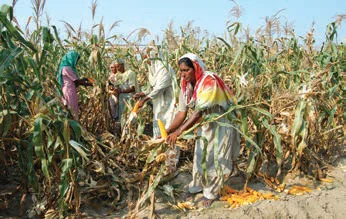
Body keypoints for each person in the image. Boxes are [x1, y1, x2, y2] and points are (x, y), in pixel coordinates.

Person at [165, 53, 240, 207]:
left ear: (196, 67)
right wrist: (167, 131)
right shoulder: (185, 86)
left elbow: (198, 112)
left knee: (215, 157)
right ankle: (197, 186)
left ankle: (211, 192)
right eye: (181, 71)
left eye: (186, 70)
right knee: (200, 154)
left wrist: (178, 132)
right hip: (205, 124)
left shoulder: (209, 81)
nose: (183, 74)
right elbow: (181, 113)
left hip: (220, 123)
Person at [133, 50, 179, 174]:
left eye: (146, 58)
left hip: (168, 107)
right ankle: (160, 160)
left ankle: (170, 163)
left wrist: (145, 99)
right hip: (159, 107)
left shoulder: (164, 68)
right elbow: (152, 87)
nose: (146, 61)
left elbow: (159, 88)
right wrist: (142, 93)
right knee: (159, 132)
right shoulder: (154, 70)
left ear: (154, 57)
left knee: (169, 132)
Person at [56, 50, 92, 120]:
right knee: (71, 109)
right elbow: (76, 81)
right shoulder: (66, 68)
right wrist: (89, 84)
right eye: (76, 60)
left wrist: (85, 79)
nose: (76, 62)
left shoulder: (66, 68)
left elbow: (76, 80)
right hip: (68, 92)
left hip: (70, 90)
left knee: (72, 108)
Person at [108, 58, 139, 125]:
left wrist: (121, 90)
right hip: (122, 100)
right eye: (116, 67)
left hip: (129, 99)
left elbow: (132, 88)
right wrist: (113, 88)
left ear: (123, 65)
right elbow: (117, 86)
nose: (117, 68)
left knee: (130, 118)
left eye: (118, 66)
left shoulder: (130, 73)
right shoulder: (118, 75)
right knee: (122, 118)